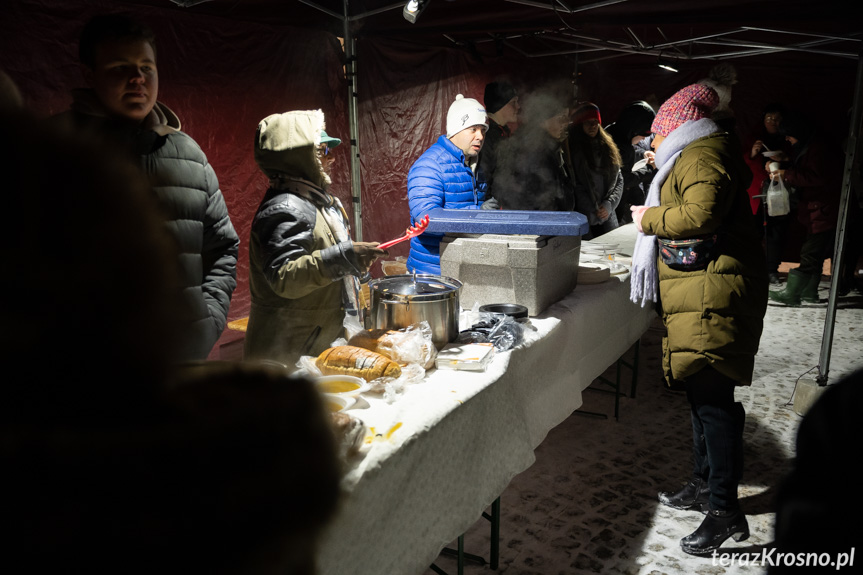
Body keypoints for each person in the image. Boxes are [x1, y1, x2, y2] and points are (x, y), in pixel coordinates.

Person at [629, 83, 768, 556]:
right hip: (703, 288)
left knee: (714, 403)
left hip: (714, 291)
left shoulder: (703, 156)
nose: (652, 138)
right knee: (701, 392)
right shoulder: (696, 154)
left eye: (657, 129)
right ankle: (703, 485)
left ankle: (725, 512)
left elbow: (699, 213)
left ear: (677, 127)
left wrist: (648, 217)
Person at [57, 13, 240, 362]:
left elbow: (223, 247)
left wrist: (206, 321)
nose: (137, 78)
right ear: (88, 75)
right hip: (82, 374)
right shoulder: (50, 150)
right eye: (119, 67)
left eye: (147, 67)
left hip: (182, 360)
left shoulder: (188, 153)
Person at [245, 110, 387, 368]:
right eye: (322, 150)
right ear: (297, 158)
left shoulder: (315, 201)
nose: (332, 158)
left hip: (309, 342)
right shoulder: (285, 207)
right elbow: (285, 277)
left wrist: (356, 267)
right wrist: (345, 258)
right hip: (286, 353)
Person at [407, 94, 494, 274]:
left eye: (483, 130)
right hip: (433, 274)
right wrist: (479, 215)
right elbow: (427, 220)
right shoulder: (430, 165)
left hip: (464, 268)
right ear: (456, 129)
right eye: (473, 129)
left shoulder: (476, 164)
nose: (480, 136)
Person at [767, 112, 843, 306]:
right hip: (816, 209)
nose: (787, 139)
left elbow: (816, 176)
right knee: (814, 253)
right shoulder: (809, 145)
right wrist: (785, 161)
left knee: (810, 253)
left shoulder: (820, 148)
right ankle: (810, 293)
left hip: (823, 209)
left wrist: (786, 174)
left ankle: (791, 294)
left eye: (788, 135)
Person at [494, 91, 574, 211]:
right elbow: (532, 198)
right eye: (561, 117)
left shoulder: (549, 146)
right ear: (543, 121)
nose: (567, 122)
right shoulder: (531, 150)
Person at [742, 103, 792, 285]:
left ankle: (771, 269)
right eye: (769, 119)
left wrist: (784, 160)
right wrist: (753, 153)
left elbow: (795, 162)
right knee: (754, 231)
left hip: (779, 192)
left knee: (775, 233)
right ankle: (751, 267)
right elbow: (744, 163)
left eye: (777, 119)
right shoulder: (754, 137)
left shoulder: (787, 139)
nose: (773, 122)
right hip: (757, 193)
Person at [567, 102, 623, 238]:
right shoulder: (574, 151)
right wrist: (593, 209)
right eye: (587, 122)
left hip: (607, 215)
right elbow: (575, 185)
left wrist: (608, 205)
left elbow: (618, 180)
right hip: (585, 216)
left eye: (595, 122)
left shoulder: (608, 148)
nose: (592, 126)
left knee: (611, 251)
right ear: (580, 125)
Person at [605, 100, 656, 224]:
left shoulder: (615, 132)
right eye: (643, 134)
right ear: (633, 129)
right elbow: (625, 179)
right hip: (612, 205)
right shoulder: (617, 146)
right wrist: (650, 169)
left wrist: (643, 153)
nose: (644, 138)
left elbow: (631, 148)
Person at [480, 80, 519, 196]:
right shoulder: (486, 137)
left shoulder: (503, 133)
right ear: (500, 105)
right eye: (514, 102)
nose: (518, 106)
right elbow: (484, 179)